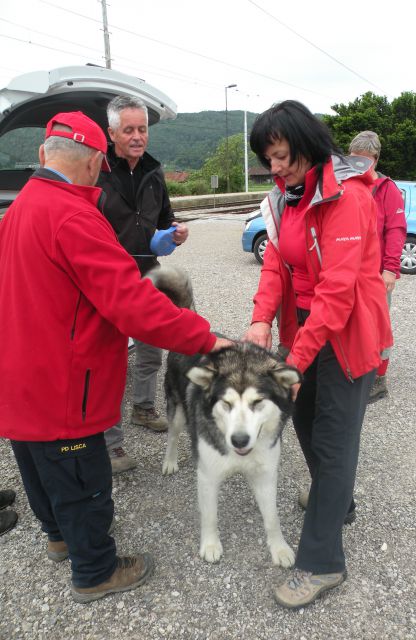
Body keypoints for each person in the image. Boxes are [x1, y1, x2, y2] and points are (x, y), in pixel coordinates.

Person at [0, 111, 230, 603]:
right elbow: (134, 304)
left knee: (39, 463)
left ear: (43, 155)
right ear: (96, 163)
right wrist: (206, 339)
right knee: (82, 476)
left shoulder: (18, 209)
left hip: (19, 374)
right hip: (65, 382)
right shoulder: (75, 216)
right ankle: (95, 570)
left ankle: (58, 537)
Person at [243, 101, 392, 609]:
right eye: (269, 158)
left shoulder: (346, 198)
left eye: (283, 155)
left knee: (334, 440)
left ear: (307, 145)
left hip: (346, 335)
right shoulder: (287, 196)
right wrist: (262, 317)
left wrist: (295, 361)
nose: (276, 168)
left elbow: (337, 293)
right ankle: (339, 501)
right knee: (303, 419)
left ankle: (323, 562)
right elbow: (275, 265)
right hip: (304, 328)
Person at [98, 95, 187, 474]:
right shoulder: (97, 170)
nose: (138, 137)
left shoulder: (154, 171)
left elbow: (164, 217)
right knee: (111, 358)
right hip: (109, 277)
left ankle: (144, 409)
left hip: (150, 271)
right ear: (112, 132)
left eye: (143, 129)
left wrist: (174, 233)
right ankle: (110, 443)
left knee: (151, 350)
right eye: (129, 130)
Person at [348, 131, 407, 403]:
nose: (359, 166)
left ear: (375, 159)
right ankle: (355, 369)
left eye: (365, 161)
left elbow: (396, 230)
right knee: (351, 322)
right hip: (349, 272)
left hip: (376, 274)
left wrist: (390, 269)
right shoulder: (343, 184)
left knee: (379, 326)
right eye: (354, 159)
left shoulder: (387, 189)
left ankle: (379, 380)